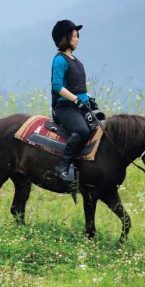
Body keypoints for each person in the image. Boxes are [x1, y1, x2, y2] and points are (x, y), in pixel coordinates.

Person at [50, 19, 97, 182]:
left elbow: (78, 87)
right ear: (65, 37)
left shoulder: (77, 61)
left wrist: (88, 98)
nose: (78, 39)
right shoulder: (59, 60)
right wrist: (75, 100)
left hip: (81, 105)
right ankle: (63, 166)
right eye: (75, 36)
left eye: (78, 36)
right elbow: (57, 85)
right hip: (65, 107)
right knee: (82, 131)